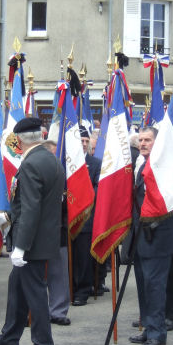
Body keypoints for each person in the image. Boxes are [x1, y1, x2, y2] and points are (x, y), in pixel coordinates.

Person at [0, 117, 64, 345]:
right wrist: (5, 217)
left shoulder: (31, 164)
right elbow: (32, 204)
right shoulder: (49, 159)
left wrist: (20, 246)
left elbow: (31, 209)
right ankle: (9, 337)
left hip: (31, 243)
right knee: (17, 287)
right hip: (40, 238)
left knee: (34, 292)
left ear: (18, 140)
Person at [125, 127, 173, 345]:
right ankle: (148, 326)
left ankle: (158, 332)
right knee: (143, 284)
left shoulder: (163, 168)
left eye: (148, 140)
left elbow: (170, 202)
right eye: (141, 140)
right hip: (141, 236)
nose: (143, 143)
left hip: (158, 235)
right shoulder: (143, 165)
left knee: (155, 285)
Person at [41, 139, 71, 326]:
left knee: (58, 273)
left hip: (58, 228)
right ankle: (34, 309)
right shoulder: (32, 172)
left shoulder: (65, 175)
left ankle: (58, 310)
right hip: (36, 231)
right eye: (54, 154)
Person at [71, 126, 102, 307]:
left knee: (83, 257)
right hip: (69, 216)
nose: (83, 144)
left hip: (86, 217)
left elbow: (98, 188)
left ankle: (82, 290)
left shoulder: (96, 163)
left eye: (86, 141)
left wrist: (83, 196)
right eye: (80, 141)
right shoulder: (66, 163)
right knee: (70, 255)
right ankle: (70, 287)